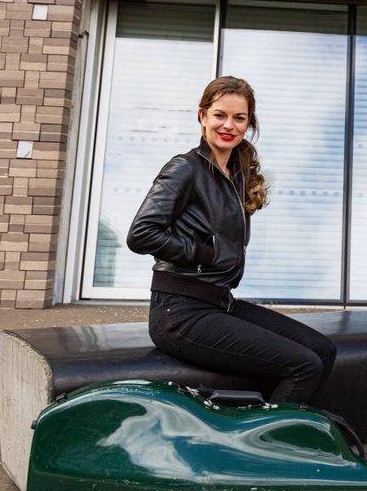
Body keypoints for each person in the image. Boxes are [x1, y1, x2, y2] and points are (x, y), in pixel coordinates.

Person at [127, 76, 335, 404]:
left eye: (239, 118)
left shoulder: (236, 175)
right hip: (179, 312)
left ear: (248, 123)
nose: (229, 125)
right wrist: (204, 255)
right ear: (202, 116)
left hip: (220, 302)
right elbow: (140, 234)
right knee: (304, 366)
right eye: (220, 115)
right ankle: (267, 449)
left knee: (322, 350)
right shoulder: (185, 167)